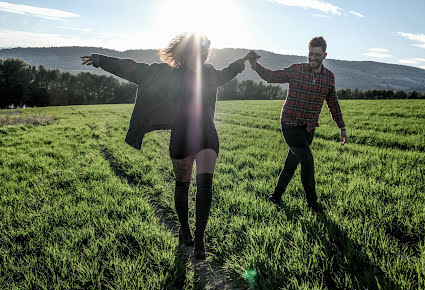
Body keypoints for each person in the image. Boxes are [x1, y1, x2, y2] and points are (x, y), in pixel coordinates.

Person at [81, 33, 257, 259]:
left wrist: (243, 60)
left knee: (205, 184)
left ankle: (200, 239)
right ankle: (185, 230)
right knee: (182, 185)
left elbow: (228, 73)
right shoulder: (168, 74)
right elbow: (135, 69)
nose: (203, 55)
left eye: (205, 52)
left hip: (207, 135)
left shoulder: (210, 74)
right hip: (182, 136)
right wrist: (100, 60)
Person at [247, 37, 348, 212]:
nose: (313, 57)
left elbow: (333, 102)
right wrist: (255, 65)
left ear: (324, 55)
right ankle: (312, 204)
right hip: (290, 123)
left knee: (291, 164)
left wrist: (342, 127)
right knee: (307, 161)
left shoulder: (328, 78)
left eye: (317, 54)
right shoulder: (296, 70)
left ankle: (275, 197)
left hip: (308, 128)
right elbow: (272, 76)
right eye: (311, 54)